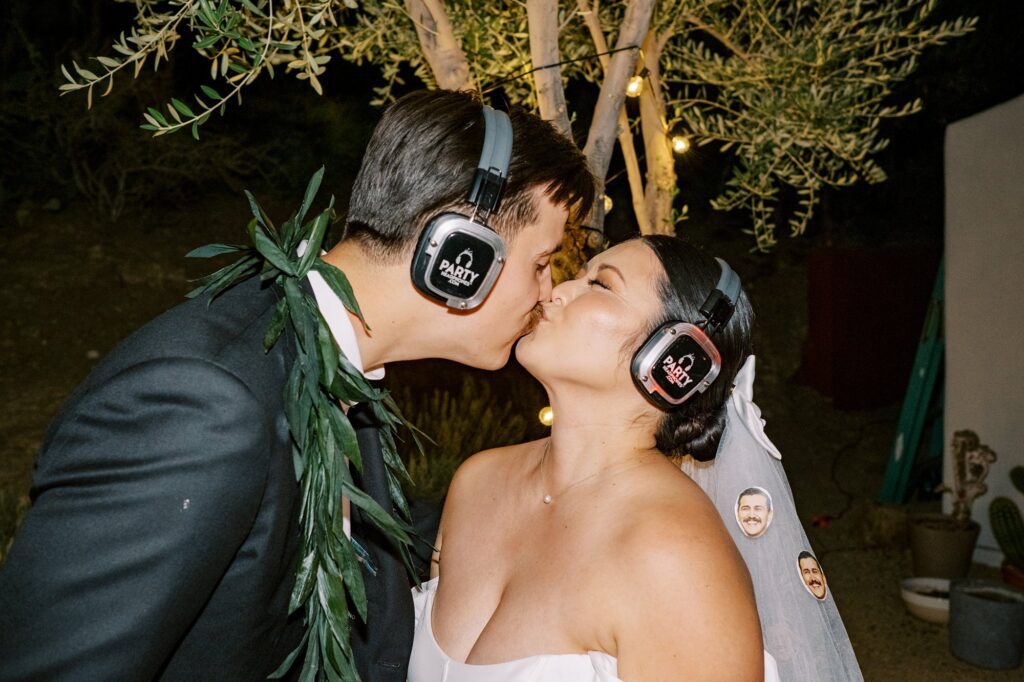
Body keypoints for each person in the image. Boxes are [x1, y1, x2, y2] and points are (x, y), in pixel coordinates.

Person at [0, 90, 593, 681]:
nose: (547, 293)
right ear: (458, 253)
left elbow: (330, 542)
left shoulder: (328, 358)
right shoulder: (200, 406)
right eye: (541, 262)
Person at [409, 236, 781, 681]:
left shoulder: (675, 556)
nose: (555, 291)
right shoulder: (477, 480)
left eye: (600, 285)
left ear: (673, 357)